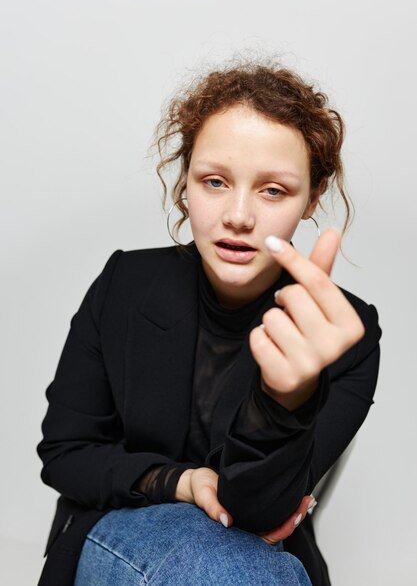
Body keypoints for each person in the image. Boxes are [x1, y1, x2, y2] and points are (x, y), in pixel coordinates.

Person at [36, 59, 382, 586]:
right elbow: (66, 455)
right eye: (215, 181)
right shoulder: (125, 283)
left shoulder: (345, 333)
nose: (239, 215)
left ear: (313, 197)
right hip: (119, 531)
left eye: (273, 191)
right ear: (185, 183)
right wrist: (179, 481)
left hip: (257, 559)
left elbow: (260, 513)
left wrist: (284, 400)